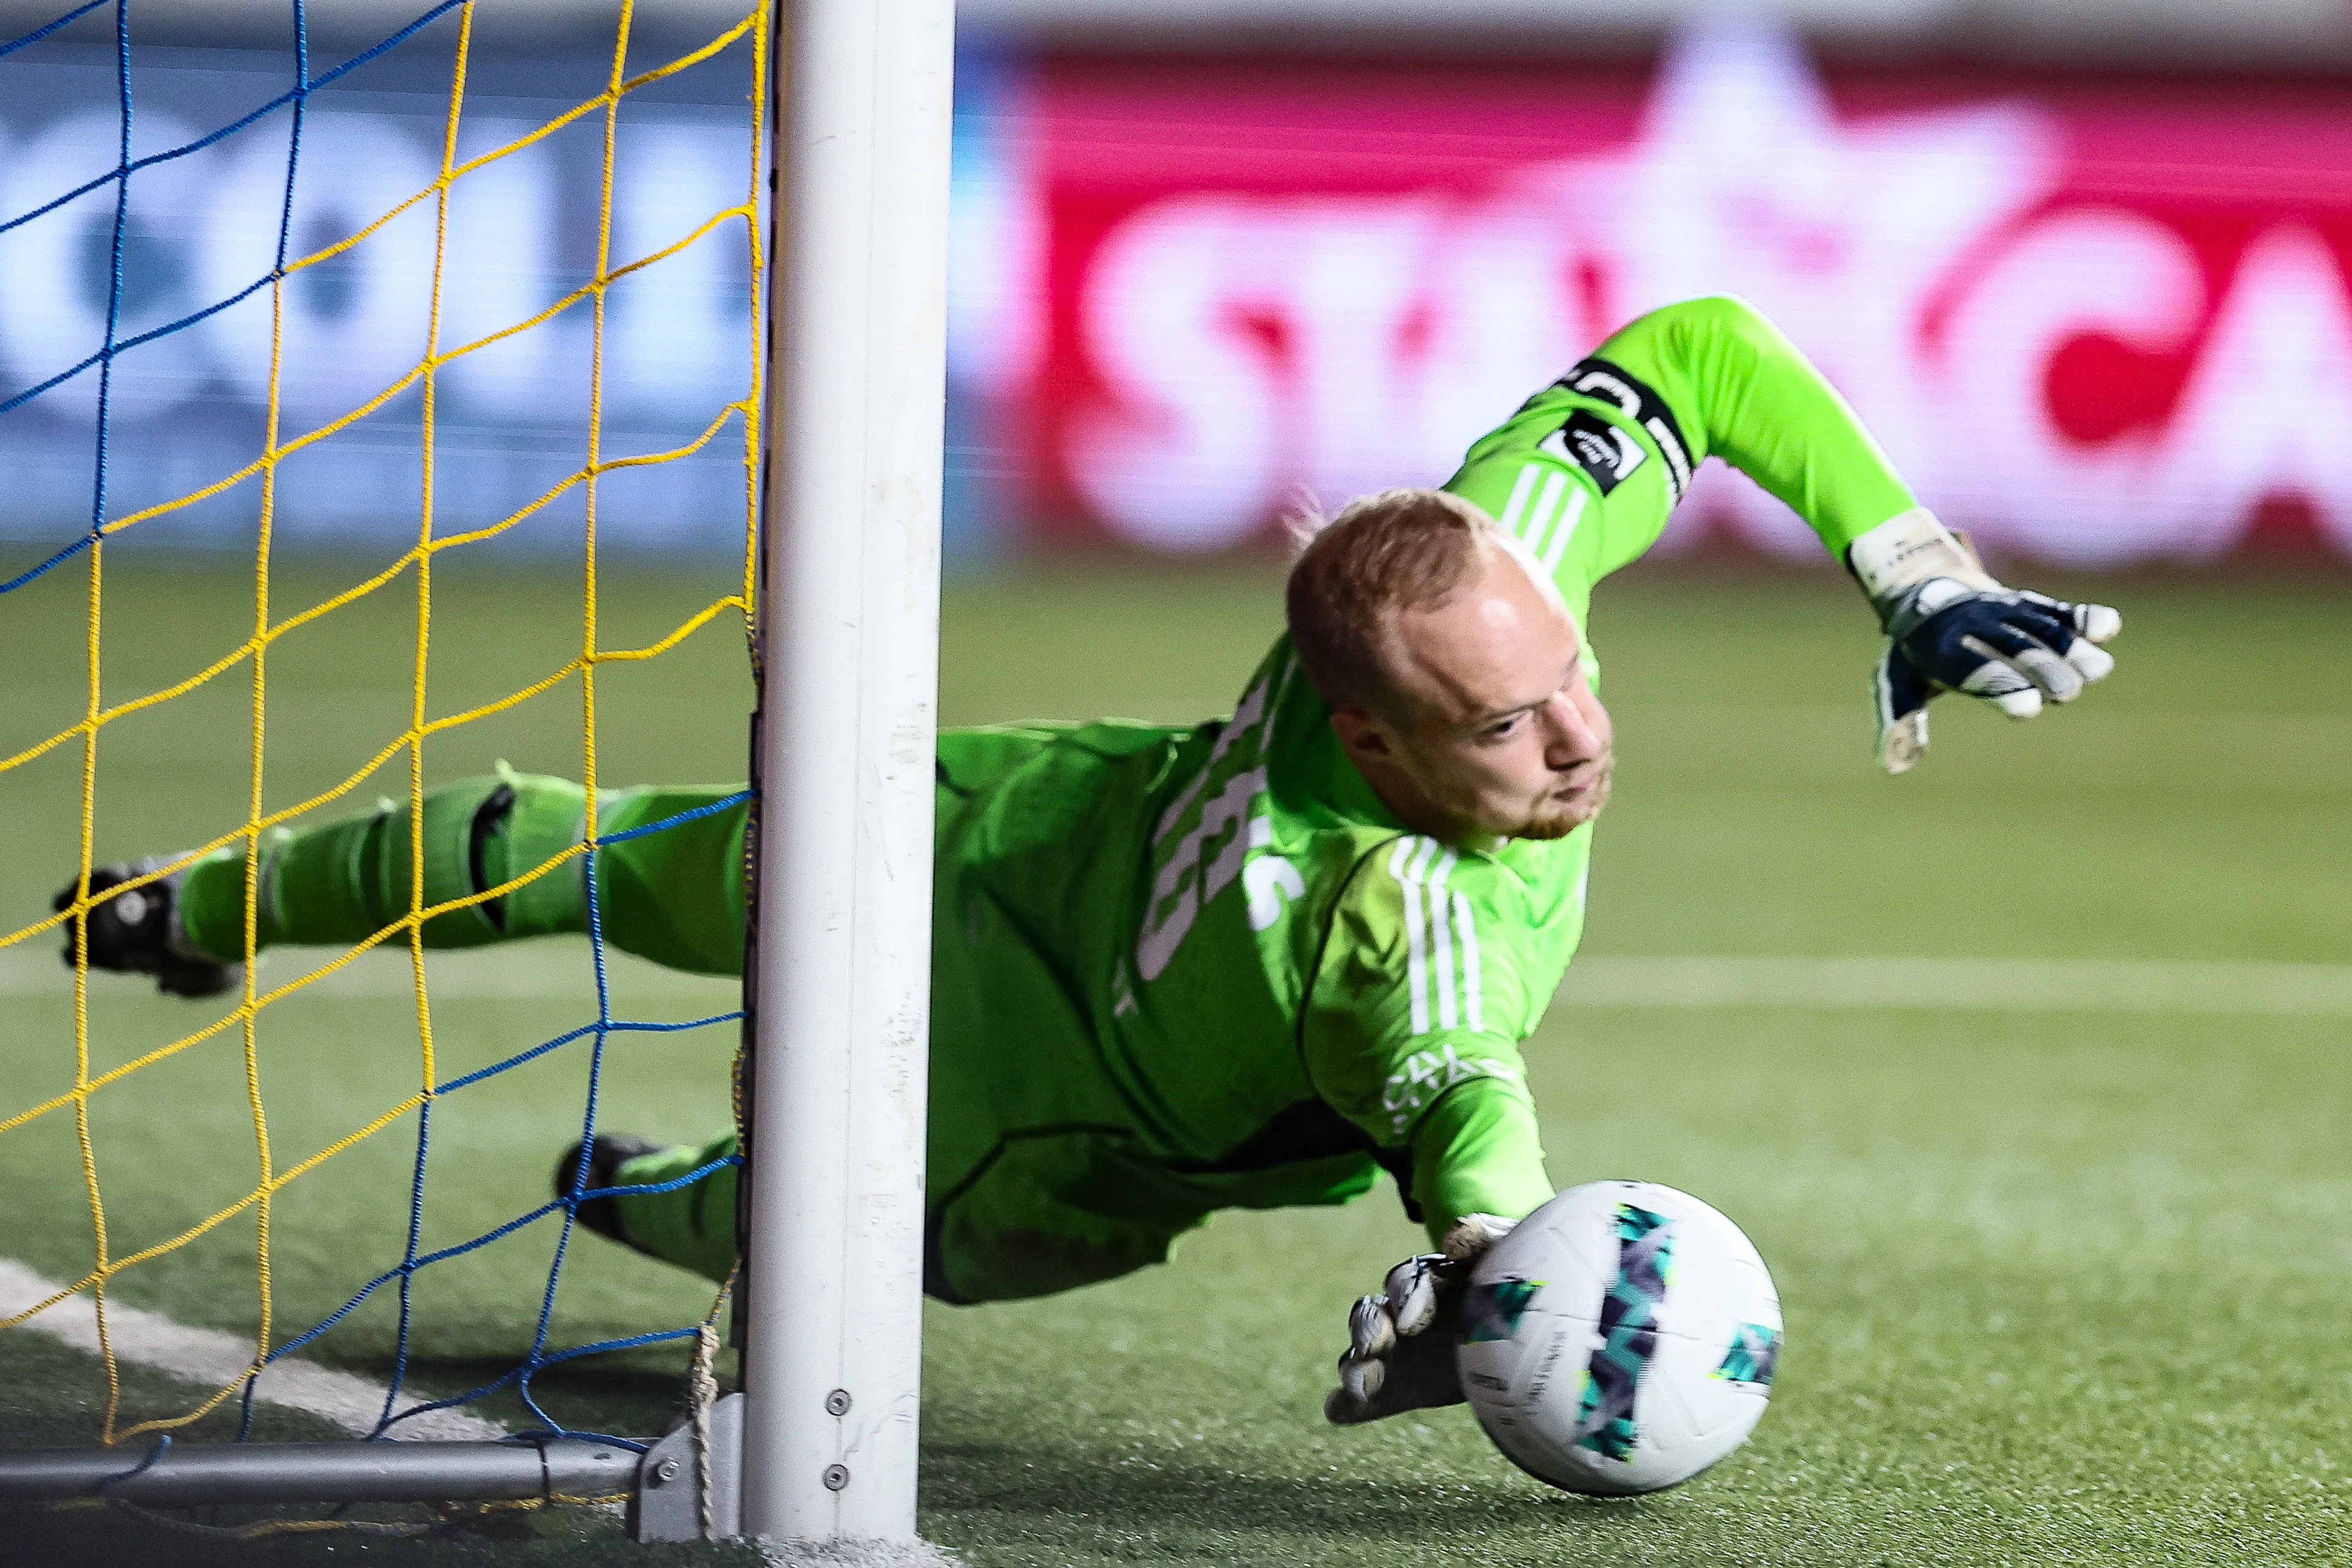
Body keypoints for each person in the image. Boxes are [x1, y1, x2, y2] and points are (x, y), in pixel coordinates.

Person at [57, 295, 2118, 1428]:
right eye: (1505, 727)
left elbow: (1702, 351)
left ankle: (647, 1205)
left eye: (1570, 677)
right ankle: (196, 909)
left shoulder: (1480, 570)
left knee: (786, 1197)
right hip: (1023, 958)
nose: (1579, 735)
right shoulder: (1405, 908)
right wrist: (1502, 1268)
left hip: (1056, 976)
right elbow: (1469, 1092)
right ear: (1374, 735)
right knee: (596, 874)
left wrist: (1911, 569)